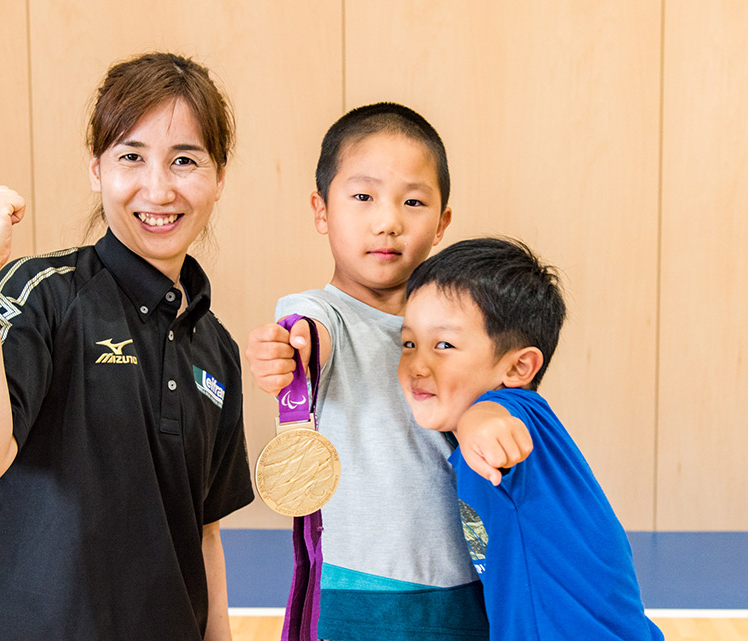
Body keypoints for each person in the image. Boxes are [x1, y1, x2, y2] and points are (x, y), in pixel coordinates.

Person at [0, 52, 253, 640]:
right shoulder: (41, 294)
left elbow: (204, 531)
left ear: (219, 177)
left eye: (184, 160)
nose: (158, 188)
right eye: (131, 157)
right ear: (97, 169)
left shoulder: (216, 347)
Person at [247, 103, 530, 640]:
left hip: (467, 584)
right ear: (321, 210)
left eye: (413, 201)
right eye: (363, 197)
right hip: (357, 592)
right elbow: (307, 335)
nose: (388, 222)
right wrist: (288, 350)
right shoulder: (319, 312)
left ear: (442, 223)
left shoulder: (465, 325)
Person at [398, 237, 664, 640]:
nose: (417, 364)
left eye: (444, 345)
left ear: (519, 367)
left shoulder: (514, 411)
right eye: (409, 343)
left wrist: (479, 424)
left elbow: (495, 416)